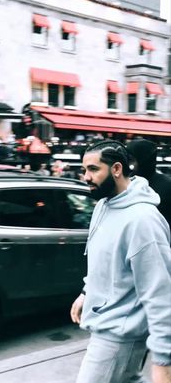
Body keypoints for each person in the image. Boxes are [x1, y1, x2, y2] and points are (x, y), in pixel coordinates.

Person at [70, 140, 171, 383]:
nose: (86, 177)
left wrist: (163, 360)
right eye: (84, 170)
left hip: (119, 335)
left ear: (116, 169)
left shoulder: (142, 221)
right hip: (106, 326)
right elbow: (103, 263)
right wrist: (86, 292)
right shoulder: (103, 206)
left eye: (93, 169)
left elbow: (160, 296)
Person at [127, 139, 171, 230]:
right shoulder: (126, 182)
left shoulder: (126, 183)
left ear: (142, 161)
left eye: (131, 159)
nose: (129, 164)